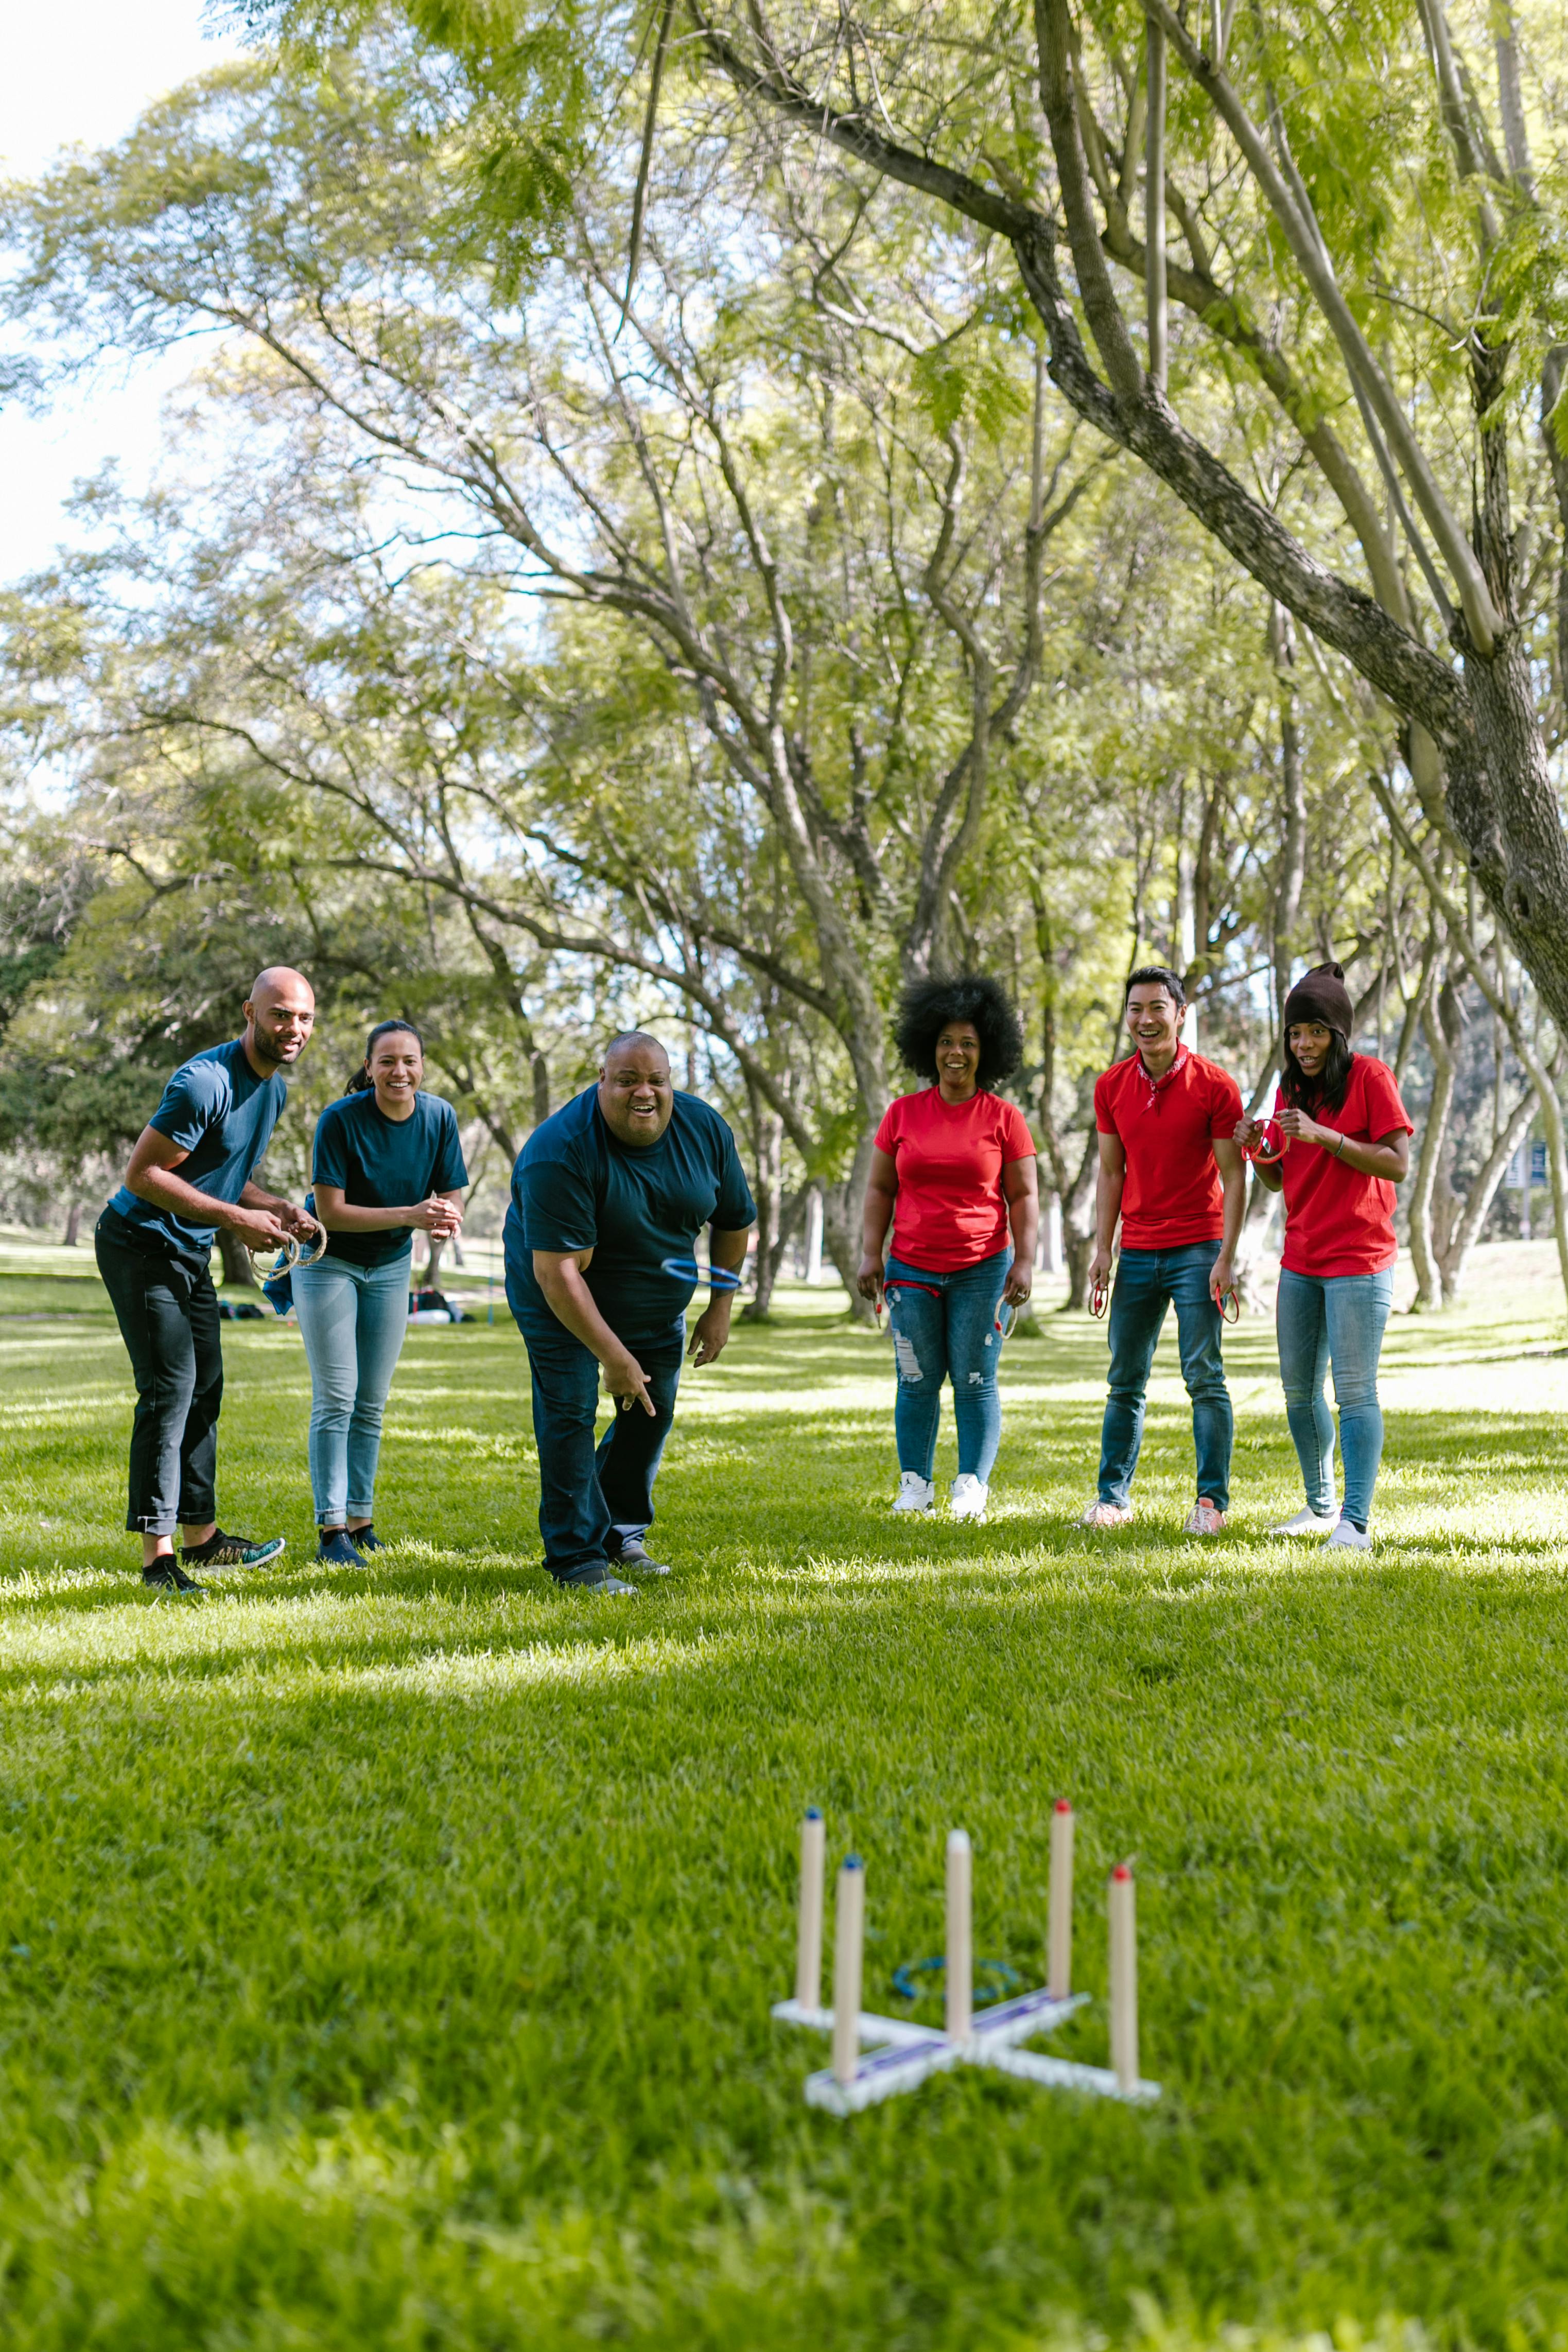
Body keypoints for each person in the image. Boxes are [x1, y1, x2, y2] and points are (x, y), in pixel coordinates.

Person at [503, 1031, 756, 1593]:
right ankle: (577, 1561)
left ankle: (619, 1532)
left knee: (651, 1410)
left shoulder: (704, 1129)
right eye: (627, 1080)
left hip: (652, 1293)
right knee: (569, 1411)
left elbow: (735, 1219)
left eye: (656, 1080)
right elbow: (557, 1273)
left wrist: (720, 1306)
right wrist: (613, 1356)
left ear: (670, 1084)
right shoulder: (559, 1151)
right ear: (602, 1083)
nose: (644, 1092)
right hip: (558, 1297)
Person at [94, 968, 320, 1594]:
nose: (293, 1028)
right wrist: (235, 1220)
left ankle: (203, 1540)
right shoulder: (204, 1083)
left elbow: (215, 1173)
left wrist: (273, 1206)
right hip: (139, 1243)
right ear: (249, 1011)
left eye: (303, 1017)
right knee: (170, 1389)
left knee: (206, 1386)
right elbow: (143, 1174)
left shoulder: (270, 1090)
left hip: (187, 1251)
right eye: (280, 1015)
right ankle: (156, 1559)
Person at [1235, 962, 1412, 1549]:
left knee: (1355, 1391)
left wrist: (1326, 1136)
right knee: (1298, 1390)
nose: (1302, 1044)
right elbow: (1281, 1181)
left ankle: (1355, 1522)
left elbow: (1396, 1163)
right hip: (1301, 1258)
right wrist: (1258, 1151)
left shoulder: (1370, 1077)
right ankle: (1320, 1507)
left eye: (1313, 1031)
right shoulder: (1292, 1088)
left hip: (1360, 1258)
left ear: (1336, 1033)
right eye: (1294, 1033)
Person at [857, 974, 1038, 1523]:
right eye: (944, 1042)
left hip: (983, 1270)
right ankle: (914, 1484)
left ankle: (970, 1486)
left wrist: (1025, 1260)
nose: (954, 1053)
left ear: (986, 1051)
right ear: (927, 1048)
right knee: (915, 1380)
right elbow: (880, 1188)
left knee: (975, 1380)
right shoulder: (902, 1114)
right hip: (911, 1267)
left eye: (967, 1043)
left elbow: (1024, 1195)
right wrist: (870, 1253)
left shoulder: (1004, 1118)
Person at [294, 1020, 469, 1565]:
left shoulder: (439, 1116)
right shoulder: (340, 1120)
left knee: (371, 1401)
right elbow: (331, 1213)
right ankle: (331, 1533)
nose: (400, 1071)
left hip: (391, 1266)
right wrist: (413, 1215)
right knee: (338, 1397)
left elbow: (452, 1189)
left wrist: (445, 1218)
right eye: (387, 1061)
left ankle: (361, 1521)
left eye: (410, 1061)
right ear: (368, 1068)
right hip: (328, 1261)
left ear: (422, 1068)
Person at [1080, 967, 1245, 1537]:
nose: (1145, 1019)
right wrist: (1103, 1249)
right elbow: (1109, 1170)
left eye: (1156, 1008)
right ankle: (1111, 1499)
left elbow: (1233, 1173)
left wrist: (1226, 1255)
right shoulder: (1111, 1087)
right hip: (1139, 1252)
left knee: (1204, 1377)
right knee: (1125, 1378)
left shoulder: (1215, 1085)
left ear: (1179, 1013)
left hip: (1198, 1249)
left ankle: (1210, 1505)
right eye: (1135, 1009)